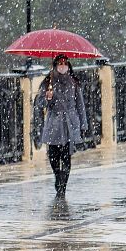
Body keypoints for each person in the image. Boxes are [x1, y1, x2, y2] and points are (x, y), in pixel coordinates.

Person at [32, 53, 88, 198]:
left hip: (70, 123)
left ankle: (63, 187)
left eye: (65, 63)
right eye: (60, 63)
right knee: (53, 155)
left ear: (68, 65)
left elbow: (80, 105)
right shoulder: (48, 82)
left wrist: (83, 124)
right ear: (55, 65)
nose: (62, 66)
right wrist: (47, 97)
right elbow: (39, 105)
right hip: (54, 123)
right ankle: (58, 176)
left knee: (66, 156)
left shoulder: (74, 82)